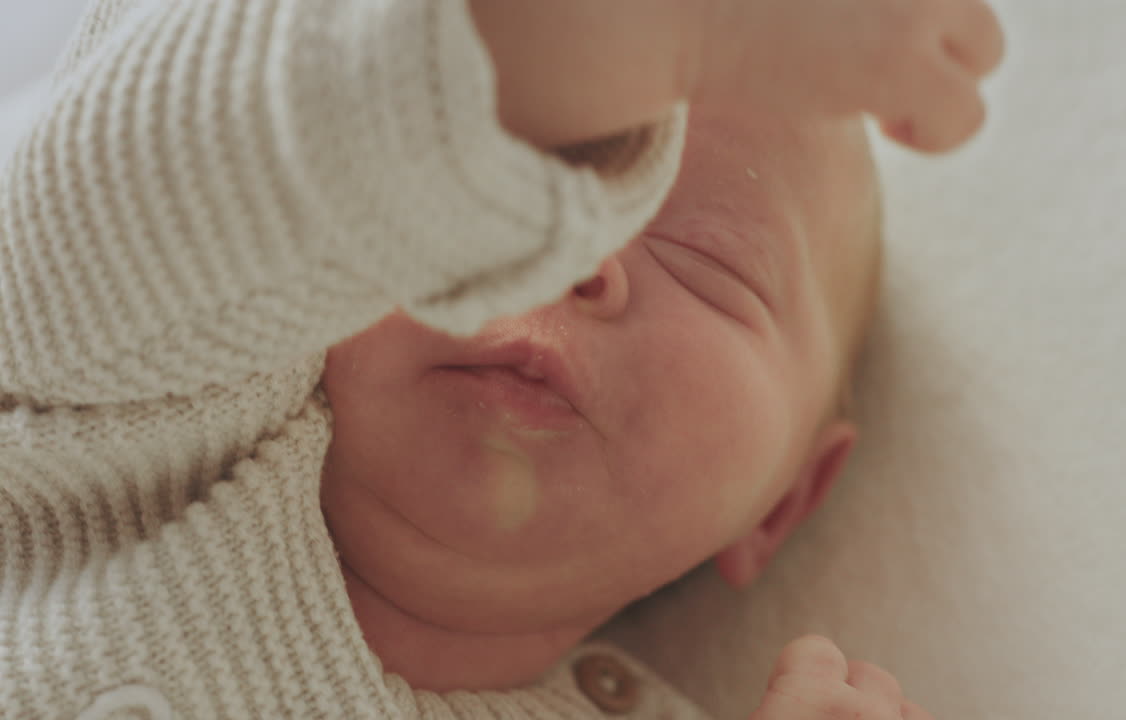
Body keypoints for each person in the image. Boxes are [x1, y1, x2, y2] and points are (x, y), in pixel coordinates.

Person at [0, 1, 1002, 718]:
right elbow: (191, 162)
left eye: (708, 262)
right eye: (534, 182)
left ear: (781, 503)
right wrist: (625, 37)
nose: (583, 257)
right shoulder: (143, 417)